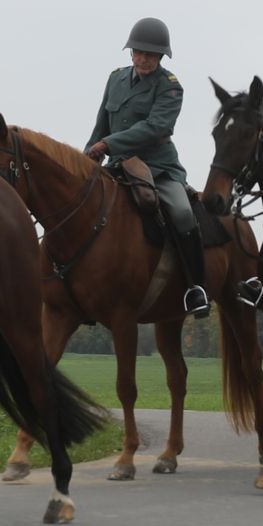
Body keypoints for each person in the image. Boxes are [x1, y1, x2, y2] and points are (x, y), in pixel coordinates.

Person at [86, 18, 208, 318]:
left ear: (161, 56)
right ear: (131, 52)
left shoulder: (170, 87)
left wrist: (107, 144)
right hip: (117, 165)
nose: (143, 59)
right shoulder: (115, 79)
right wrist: (87, 159)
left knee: (182, 212)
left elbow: (155, 127)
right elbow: (101, 124)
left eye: (150, 55)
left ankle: (197, 288)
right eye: (138, 53)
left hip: (157, 168)